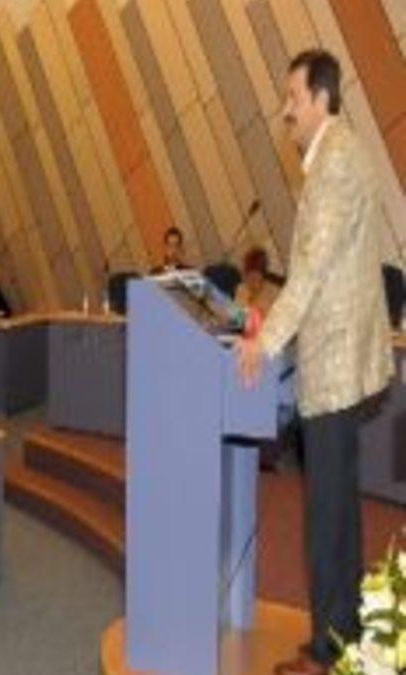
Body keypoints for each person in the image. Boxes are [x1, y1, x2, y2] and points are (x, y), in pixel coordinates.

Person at [236, 50, 394, 675]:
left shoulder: (335, 162)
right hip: (338, 364)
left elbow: (310, 271)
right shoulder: (341, 153)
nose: (286, 111)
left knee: (326, 511)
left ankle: (329, 651)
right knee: (338, 506)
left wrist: (263, 343)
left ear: (322, 99)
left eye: (293, 98)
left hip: (333, 368)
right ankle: (345, 632)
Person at [235, 246, 280, 316]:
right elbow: (237, 316)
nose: (251, 280)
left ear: (263, 273)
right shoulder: (241, 290)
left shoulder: (273, 292)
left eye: (255, 276)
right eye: (248, 275)